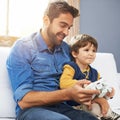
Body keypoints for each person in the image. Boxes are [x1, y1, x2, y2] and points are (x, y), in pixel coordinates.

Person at [6, 1, 100, 120]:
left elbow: (72, 92)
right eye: (62, 25)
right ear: (46, 20)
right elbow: (24, 101)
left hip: (62, 107)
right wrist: (68, 94)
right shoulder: (23, 48)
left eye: (69, 28)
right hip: (32, 110)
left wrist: (94, 97)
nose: (66, 32)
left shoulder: (66, 50)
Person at [60, 34, 120, 120]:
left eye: (94, 51)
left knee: (100, 107)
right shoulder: (70, 67)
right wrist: (83, 85)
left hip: (90, 102)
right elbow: (63, 83)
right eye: (86, 50)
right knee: (95, 109)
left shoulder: (95, 72)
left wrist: (109, 93)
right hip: (74, 105)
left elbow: (100, 88)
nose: (91, 54)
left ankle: (109, 116)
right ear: (74, 53)